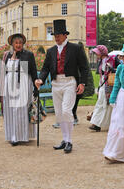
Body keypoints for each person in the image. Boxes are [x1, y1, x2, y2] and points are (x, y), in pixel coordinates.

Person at [35, 19, 88, 154]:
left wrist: (82, 82)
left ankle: (69, 141)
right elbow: (46, 67)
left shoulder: (76, 48)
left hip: (70, 82)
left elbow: (84, 67)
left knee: (66, 111)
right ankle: (64, 139)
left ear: (65, 35)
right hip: (56, 83)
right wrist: (40, 79)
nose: (56, 37)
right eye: (55, 35)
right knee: (59, 114)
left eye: (58, 35)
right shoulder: (51, 51)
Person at [1, 33, 38, 146]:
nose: (18, 45)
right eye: (16, 43)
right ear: (12, 44)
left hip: (23, 84)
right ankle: (13, 135)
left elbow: (33, 71)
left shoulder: (29, 55)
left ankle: (20, 135)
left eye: (20, 43)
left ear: (23, 44)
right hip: (9, 85)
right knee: (10, 110)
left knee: (20, 109)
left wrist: (36, 86)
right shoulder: (7, 55)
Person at [89, 45, 117, 132]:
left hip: (110, 85)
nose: (96, 54)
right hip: (103, 85)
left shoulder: (112, 59)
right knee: (100, 104)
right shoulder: (101, 61)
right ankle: (96, 124)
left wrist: (112, 69)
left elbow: (120, 69)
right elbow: (102, 74)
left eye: (97, 52)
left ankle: (102, 124)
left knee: (108, 105)